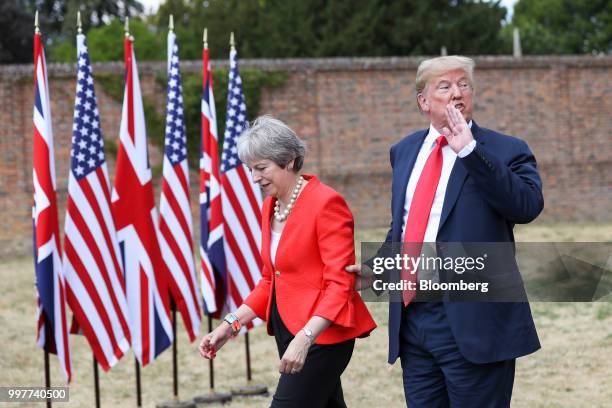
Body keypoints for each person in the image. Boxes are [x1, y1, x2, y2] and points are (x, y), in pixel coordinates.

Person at [347, 56, 544, 407]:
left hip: (475, 321)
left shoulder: (506, 149)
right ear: (423, 101)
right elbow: (406, 226)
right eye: (445, 86)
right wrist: (377, 268)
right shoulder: (404, 151)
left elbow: (526, 207)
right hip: (414, 322)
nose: (457, 94)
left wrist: (470, 150)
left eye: (464, 85)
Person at [199, 115, 376, 407]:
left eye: (261, 168)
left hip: (323, 335)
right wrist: (229, 325)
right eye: (250, 169)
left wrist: (305, 338)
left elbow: (339, 283)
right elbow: (271, 280)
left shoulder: (326, 203)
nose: (255, 178)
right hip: (286, 329)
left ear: (289, 161)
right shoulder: (271, 205)